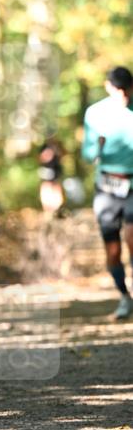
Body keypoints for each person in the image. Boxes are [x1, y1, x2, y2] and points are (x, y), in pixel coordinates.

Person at [81, 66, 133, 320]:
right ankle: (124, 295)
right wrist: (97, 146)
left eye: (126, 89)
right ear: (108, 87)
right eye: (117, 89)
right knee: (113, 251)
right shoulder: (96, 113)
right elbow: (87, 154)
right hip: (107, 187)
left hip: (132, 184)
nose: (122, 95)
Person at [38, 134, 65, 217]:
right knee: (46, 189)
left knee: (56, 188)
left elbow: (63, 155)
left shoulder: (57, 146)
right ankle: (48, 209)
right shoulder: (44, 147)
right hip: (46, 171)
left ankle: (57, 208)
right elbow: (41, 158)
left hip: (55, 172)